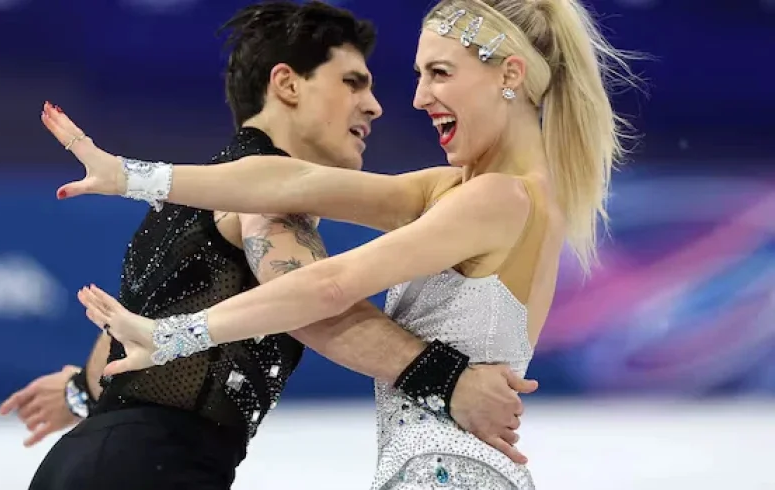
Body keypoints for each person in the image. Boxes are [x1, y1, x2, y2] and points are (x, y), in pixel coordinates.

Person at [44, 0, 638, 487]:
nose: (413, 99)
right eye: (419, 75)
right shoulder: (458, 189)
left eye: (440, 73)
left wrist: (175, 335)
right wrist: (130, 176)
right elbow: (288, 179)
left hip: (446, 475)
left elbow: (328, 286)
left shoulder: (497, 199)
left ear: (509, 74)